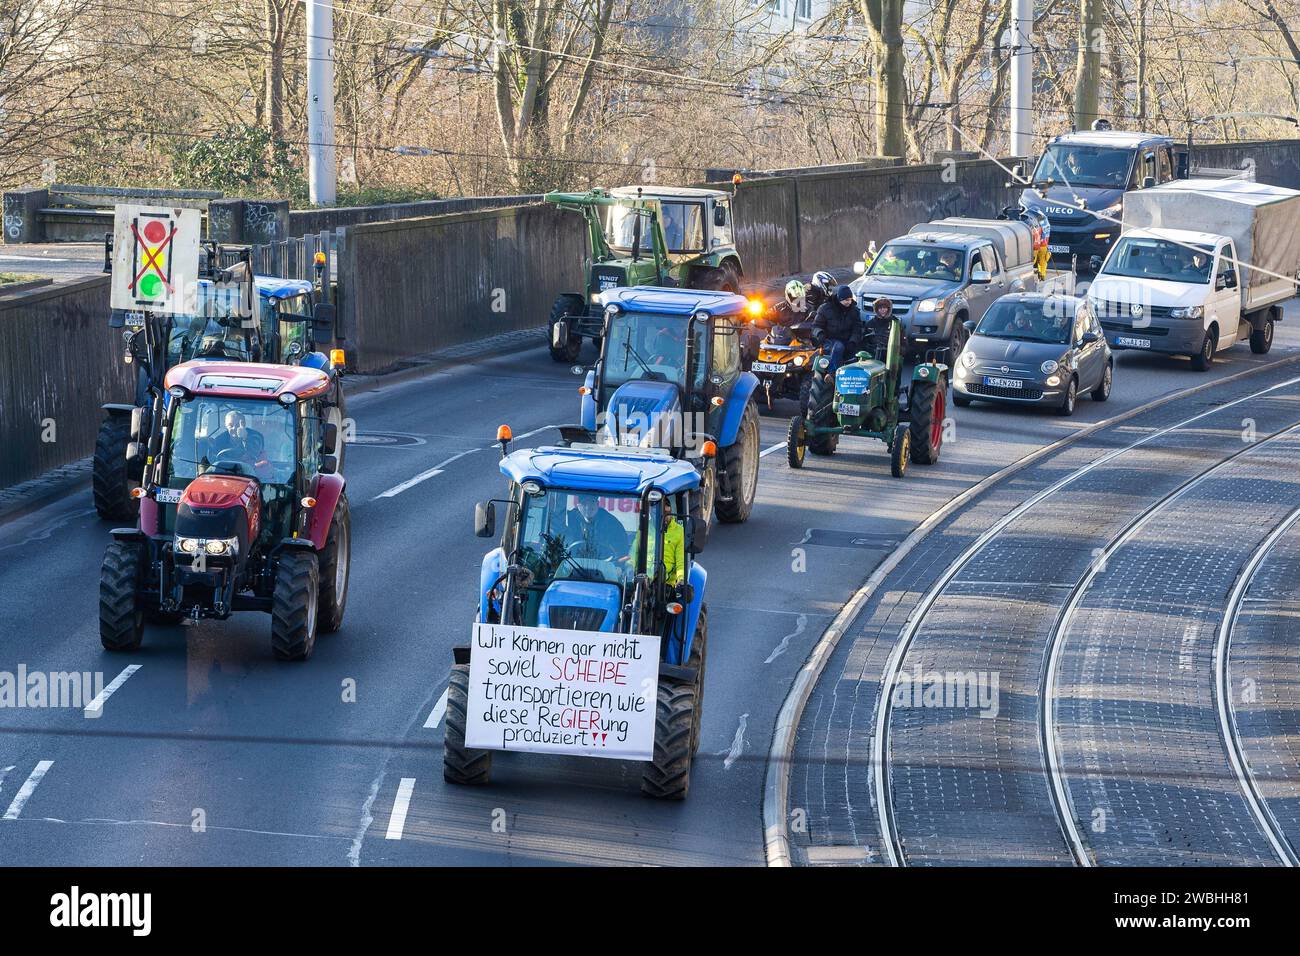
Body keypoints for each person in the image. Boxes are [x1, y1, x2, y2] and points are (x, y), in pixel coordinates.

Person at [813, 285, 863, 372]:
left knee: (858, 353)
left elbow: (857, 329)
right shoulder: (825, 309)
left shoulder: (854, 311)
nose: (849, 302)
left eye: (850, 299)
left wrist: (853, 341)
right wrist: (819, 333)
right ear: (840, 299)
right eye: (846, 300)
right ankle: (832, 373)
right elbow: (816, 326)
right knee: (838, 347)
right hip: (829, 340)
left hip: (847, 340)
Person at [562, 496, 629, 560]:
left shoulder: (612, 524)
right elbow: (561, 544)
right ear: (578, 506)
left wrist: (616, 564)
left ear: (597, 504)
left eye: (592, 502)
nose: (588, 507)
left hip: (603, 566)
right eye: (584, 503)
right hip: (574, 565)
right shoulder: (569, 520)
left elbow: (621, 550)